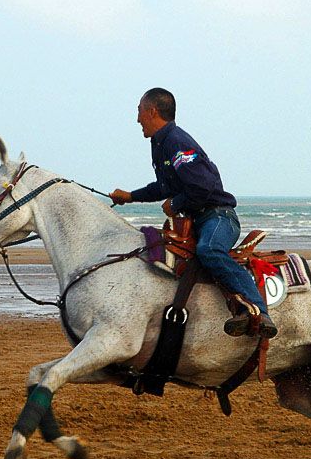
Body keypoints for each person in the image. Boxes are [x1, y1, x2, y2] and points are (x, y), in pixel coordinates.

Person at [110, 88, 277, 339]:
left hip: (218, 217)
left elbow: (203, 186)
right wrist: (131, 196)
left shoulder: (176, 141)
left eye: (139, 111)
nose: (137, 119)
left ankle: (260, 311)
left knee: (209, 250)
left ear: (152, 111)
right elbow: (165, 187)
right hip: (197, 220)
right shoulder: (161, 144)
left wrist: (175, 204)